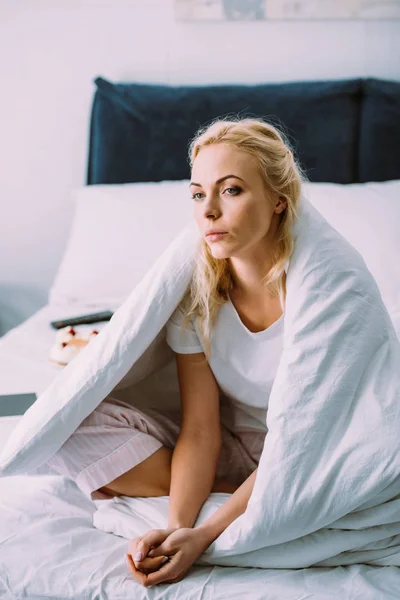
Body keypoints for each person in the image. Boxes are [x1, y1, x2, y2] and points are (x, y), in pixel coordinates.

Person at [46, 116, 307, 587]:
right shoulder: (196, 296)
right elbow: (202, 428)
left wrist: (204, 533)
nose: (208, 211)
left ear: (278, 203)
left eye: (230, 190)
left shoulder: (315, 298)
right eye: (196, 193)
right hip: (231, 447)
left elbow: (306, 438)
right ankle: (244, 492)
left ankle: (262, 493)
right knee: (64, 421)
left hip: (306, 449)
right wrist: (177, 527)